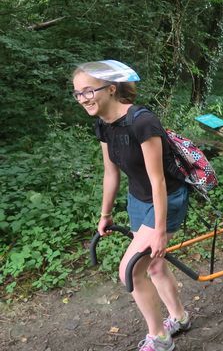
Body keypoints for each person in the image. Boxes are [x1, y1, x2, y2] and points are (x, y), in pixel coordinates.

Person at [72, 60, 191, 351]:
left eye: (89, 90)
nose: (83, 98)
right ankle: (179, 317)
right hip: (137, 200)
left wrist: (160, 230)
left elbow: (158, 180)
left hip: (166, 199)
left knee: (132, 270)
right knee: (155, 266)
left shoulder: (142, 122)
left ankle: (160, 338)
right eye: (77, 93)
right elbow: (110, 172)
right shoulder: (103, 124)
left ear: (111, 89)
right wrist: (105, 214)